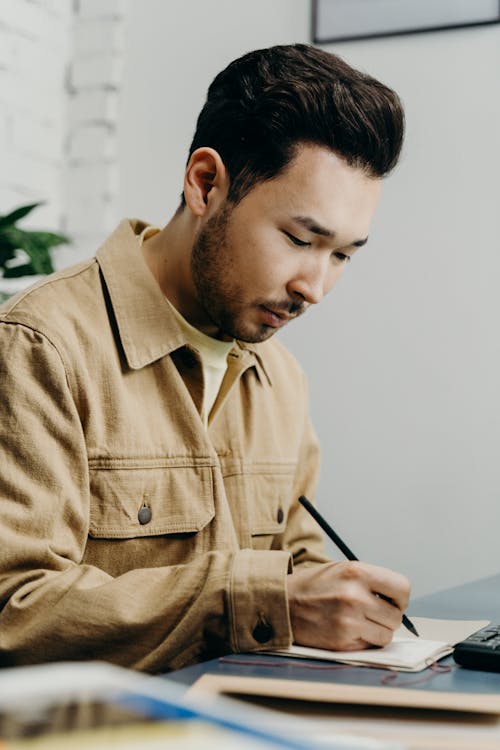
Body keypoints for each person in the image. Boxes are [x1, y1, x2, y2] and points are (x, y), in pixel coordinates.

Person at [0, 43, 410, 672]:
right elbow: (13, 610)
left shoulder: (281, 379)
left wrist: (344, 601)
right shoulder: (40, 346)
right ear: (205, 183)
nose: (315, 287)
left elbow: (298, 560)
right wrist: (257, 600)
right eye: (301, 239)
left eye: (343, 255)